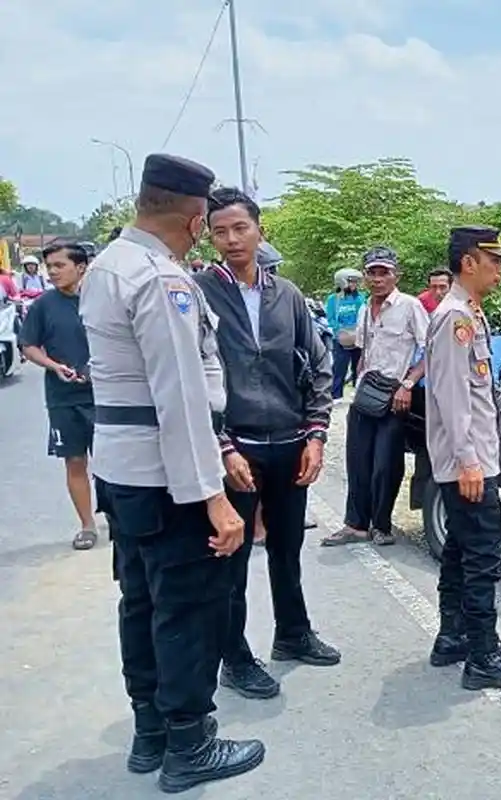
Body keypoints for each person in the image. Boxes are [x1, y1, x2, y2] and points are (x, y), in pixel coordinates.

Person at [79, 153, 264, 793]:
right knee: (185, 605)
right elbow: (181, 397)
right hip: (166, 475)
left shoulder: (107, 265)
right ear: (193, 220)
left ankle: (150, 731)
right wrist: (213, 497)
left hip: (123, 471)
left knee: (141, 599)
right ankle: (188, 742)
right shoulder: (163, 280)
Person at [196, 187, 340, 701]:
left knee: (287, 547)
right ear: (209, 236)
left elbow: (320, 365)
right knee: (230, 561)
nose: (232, 239)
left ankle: (293, 634)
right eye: (220, 231)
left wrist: (317, 434)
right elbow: (191, 378)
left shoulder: (289, 296)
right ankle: (233, 658)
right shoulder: (198, 294)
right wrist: (222, 446)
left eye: (241, 228)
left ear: (260, 230)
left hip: (289, 443)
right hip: (235, 450)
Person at [425, 225, 501, 691]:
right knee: (482, 557)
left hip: (470, 458)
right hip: (467, 462)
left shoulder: (470, 312)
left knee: (458, 549)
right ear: (468, 263)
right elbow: (452, 397)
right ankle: (483, 656)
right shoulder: (456, 318)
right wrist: (469, 461)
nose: (499, 270)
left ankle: (452, 637)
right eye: (493, 261)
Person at [321, 246, 428, 547]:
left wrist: (408, 384)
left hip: (395, 394)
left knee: (386, 463)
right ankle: (355, 525)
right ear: (365, 276)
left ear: (397, 275)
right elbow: (362, 350)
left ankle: (381, 525)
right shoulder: (365, 308)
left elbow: (431, 350)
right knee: (357, 461)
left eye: (385, 273)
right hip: (366, 392)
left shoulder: (409, 306)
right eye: (373, 273)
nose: (378, 279)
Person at [18, 243, 98, 549]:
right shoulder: (43, 306)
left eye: (59, 265)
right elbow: (29, 346)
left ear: (81, 268)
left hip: (105, 396)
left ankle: (120, 521)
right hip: (63, 398)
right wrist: (54, 366)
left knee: (110, 462)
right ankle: (87, 525)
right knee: (74, 461)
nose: (52, 271)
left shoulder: (101, 301)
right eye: (49, 266)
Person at [325, 269, 365, 400]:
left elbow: (363, 315)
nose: (354, 284)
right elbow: (330, 318)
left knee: (358, 365)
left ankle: (357, 391)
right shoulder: (333, 299)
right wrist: (339, 330)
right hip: (341, 337)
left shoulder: (360, 298)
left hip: (357, 336)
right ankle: (336, 394)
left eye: (355, 282)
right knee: (339, 366)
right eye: (351, 281)